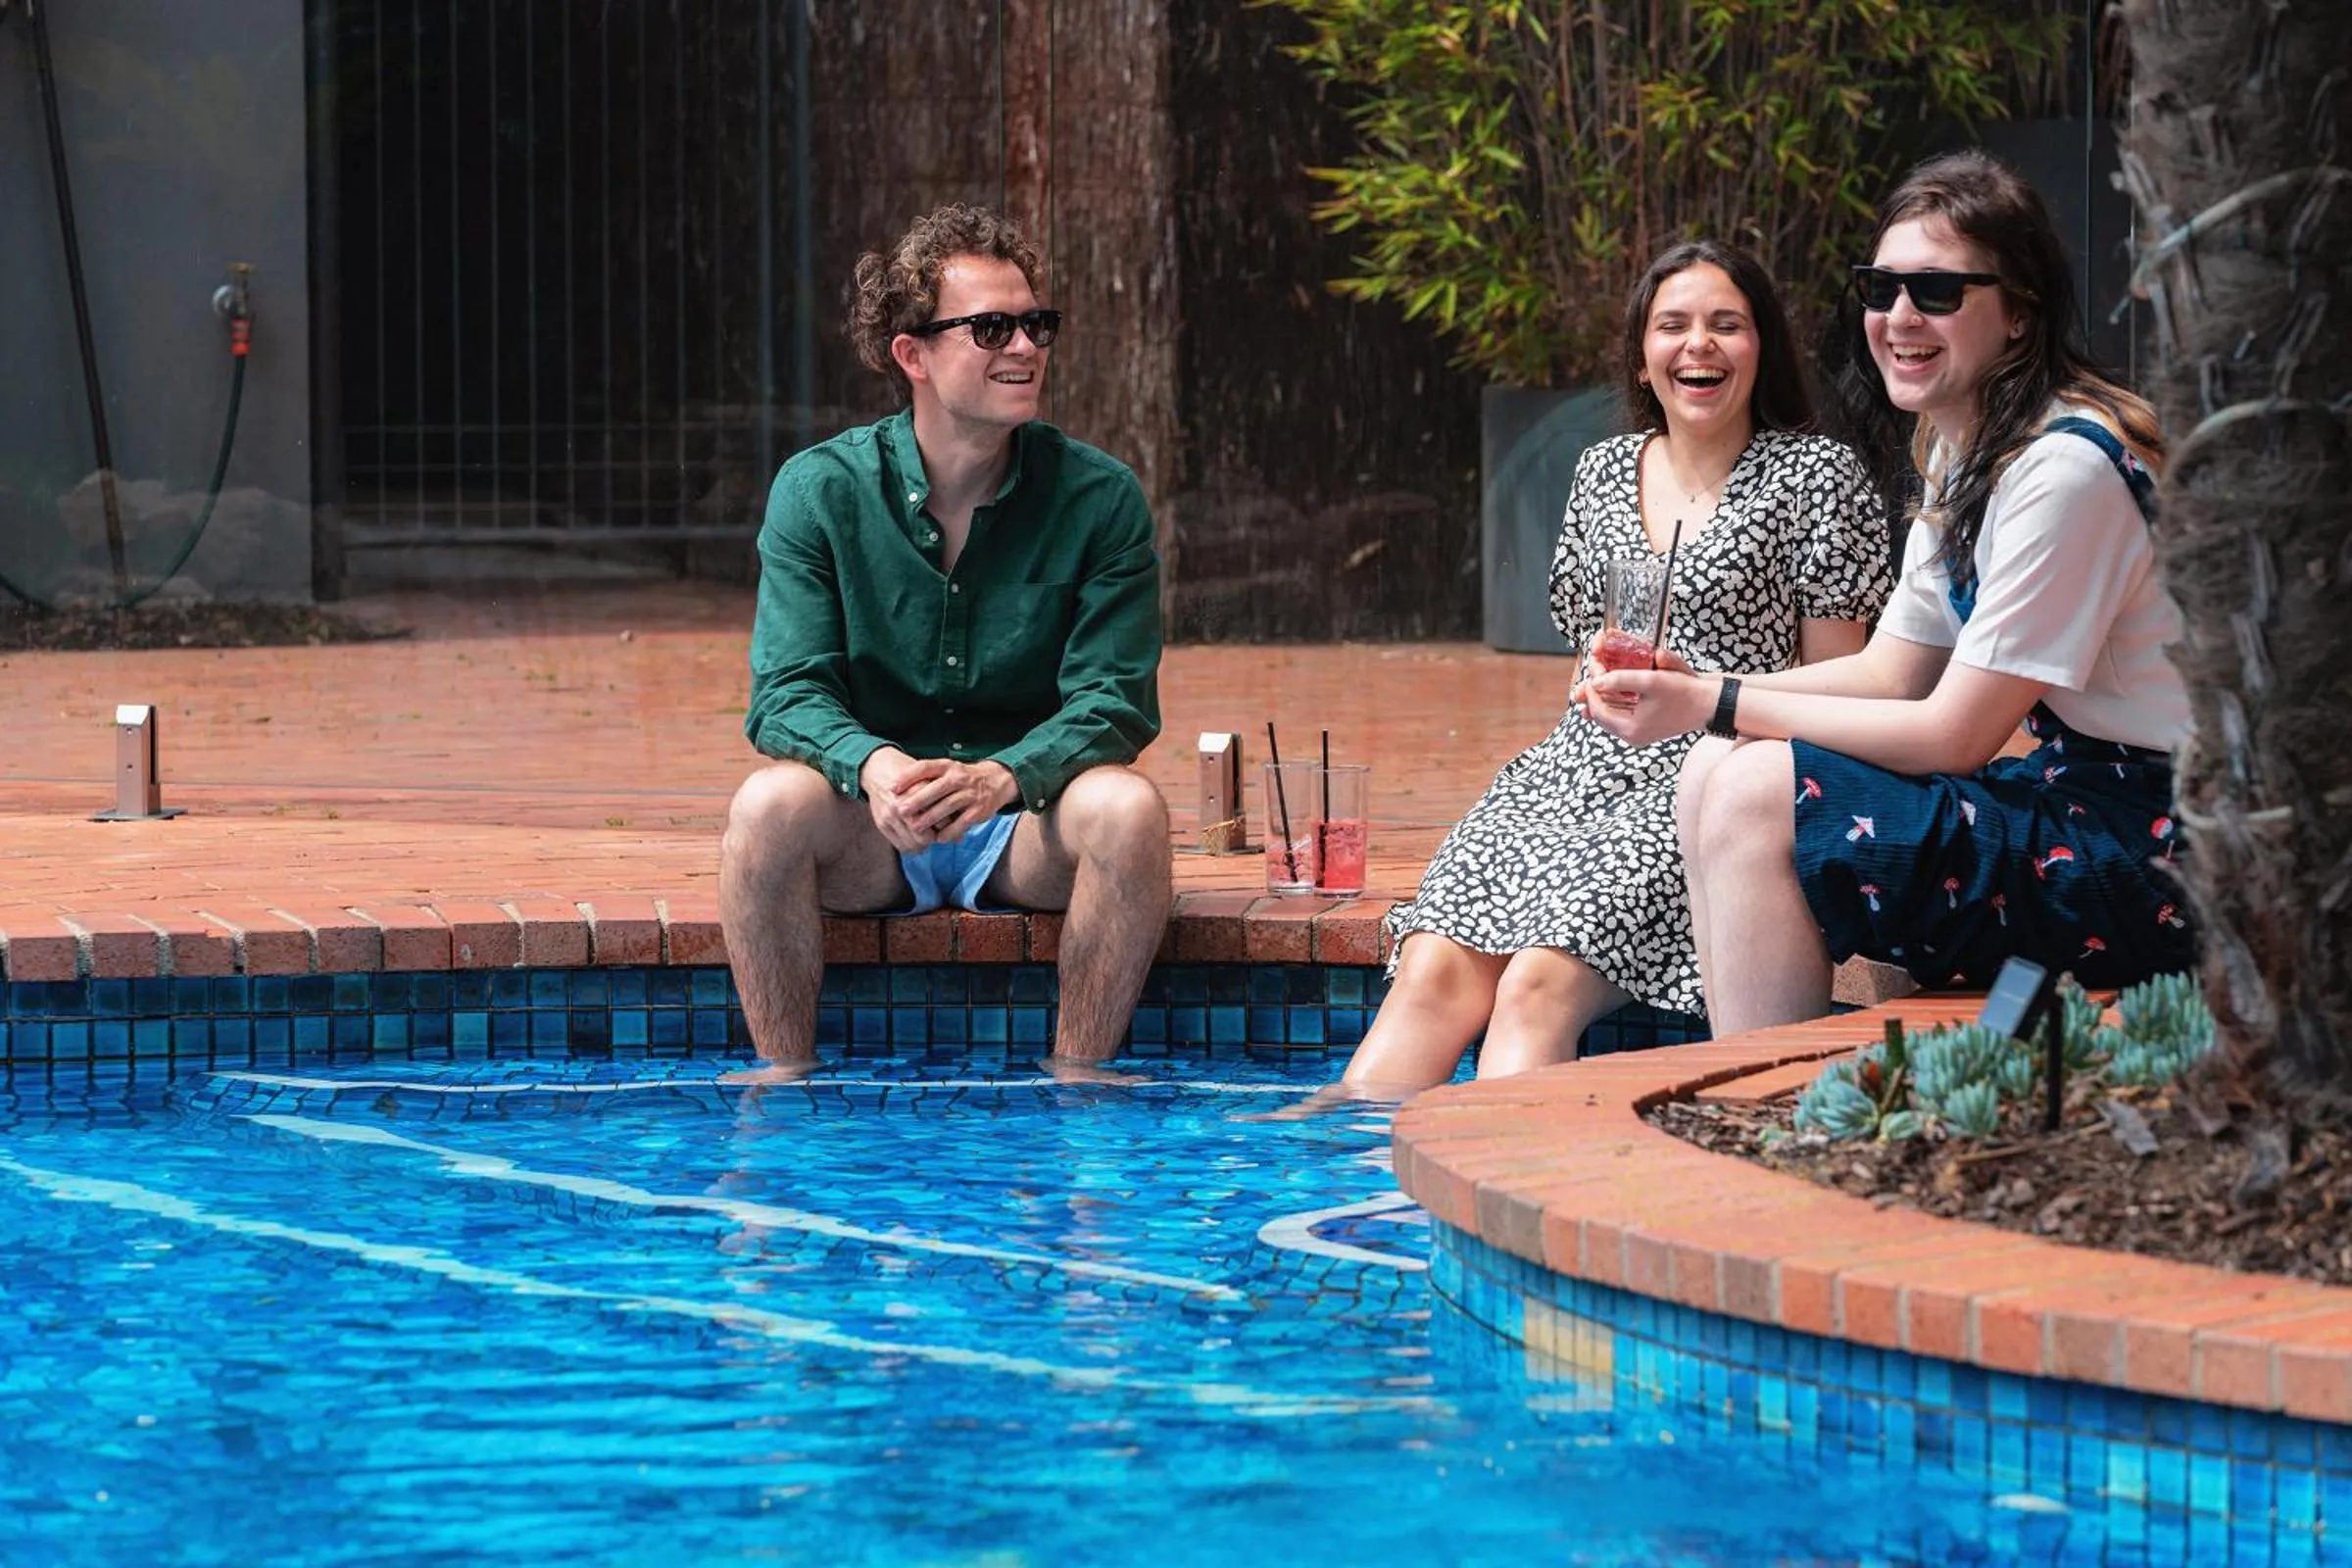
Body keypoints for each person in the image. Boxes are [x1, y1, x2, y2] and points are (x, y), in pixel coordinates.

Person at [1580, 151, 2193, 1036]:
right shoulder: (1967, 441)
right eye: (1882, 288)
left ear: (2019, 313)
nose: (1900, 317)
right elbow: (1895, 672)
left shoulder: (2064, 469)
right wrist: (1693, 692)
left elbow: (1953, 733)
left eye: (1938, 292)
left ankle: (1765, 1107)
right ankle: (1740, 1073)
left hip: (2162, 852)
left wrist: (1713, 701)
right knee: (1717, 763)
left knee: (1756, 788)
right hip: (2083, 804)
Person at [1333, 240, 1892, 1099]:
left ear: (1763, 348)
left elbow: (1841, 683)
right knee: (1431, 974)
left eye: (1726, 325)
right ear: (1642, 353)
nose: (1698, 345)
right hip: (1574, 769)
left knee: (1533, 984)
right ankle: (1316, 1180)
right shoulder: (1601, 473)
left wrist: (1702, 699)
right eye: (1673, 325)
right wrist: (1598, 670)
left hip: (1716, 773)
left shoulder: (1816, 476)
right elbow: (1593, 640)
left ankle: (1506, 1207)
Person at [719, 204, 1171, 1079]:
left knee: (1129, 810)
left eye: (1036, 324)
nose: (1026, 347)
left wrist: (1006, 775)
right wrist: (877, 767)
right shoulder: (820, 492)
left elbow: (1114, 700)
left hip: (1024, 824)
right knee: (765, 808)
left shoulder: (1100, 498)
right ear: (911, 354)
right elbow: (785, 693)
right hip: (871, 826)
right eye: (992, 328)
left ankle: (1078, 1089)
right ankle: (784, 1091)